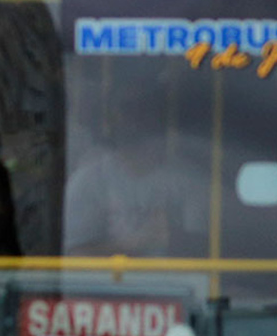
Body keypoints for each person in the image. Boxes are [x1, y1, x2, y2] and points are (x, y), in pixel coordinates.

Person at [63, 81, 208, 256]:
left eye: (143, 108)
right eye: (126, 108)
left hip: (176, 281)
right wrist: (134, 244)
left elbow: (205, 252)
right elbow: (74, 255)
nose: (134, 117)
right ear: (110, 120)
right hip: (105, 283)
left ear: (159, 118)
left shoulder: (190, 179)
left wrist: (174, 236)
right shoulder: (87, 180)